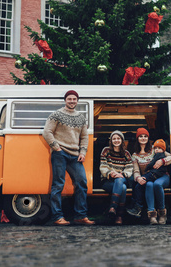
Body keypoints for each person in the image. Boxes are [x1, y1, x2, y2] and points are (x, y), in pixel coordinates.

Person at [43, 89, 95, 226]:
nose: (72, 101)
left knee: (82, 183)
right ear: (65, 100)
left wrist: (83, 152)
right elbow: (47, 132)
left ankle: (80, 216)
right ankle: (57, 216)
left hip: (75, 155)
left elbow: (84, 137)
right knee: (58, 185)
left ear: (77, 101)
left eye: (74, 99)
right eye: (69, 99)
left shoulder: (81, 118)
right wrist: (56, 148)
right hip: (60, 153)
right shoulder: (56, 115)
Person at [127, 129, 171, 225]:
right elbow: (135, 171)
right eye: (141, 136)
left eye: (145, 136)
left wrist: (162, 161)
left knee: (157, 185)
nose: (143, 138)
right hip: (148, 177)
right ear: (137, 138)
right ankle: (152, 215)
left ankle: (162, 213)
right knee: (149, 185)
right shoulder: (135, 155)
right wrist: (138, 178)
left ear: (148, 138)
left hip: (162, 176)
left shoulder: (154, 149)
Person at [99, 130, 133, 225]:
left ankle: (112, 207)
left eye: (118, 138)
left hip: (122, 178)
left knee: (120, 181)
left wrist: (122, 174)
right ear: (111, 141)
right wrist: (111, 173)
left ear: (122, 140)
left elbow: (129, 168)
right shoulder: (106, 151)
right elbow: (103, 166)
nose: (116, 140)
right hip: (108, 181)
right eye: (114, 138)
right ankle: (119, 216)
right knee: (123, 188)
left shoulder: (126, 153)